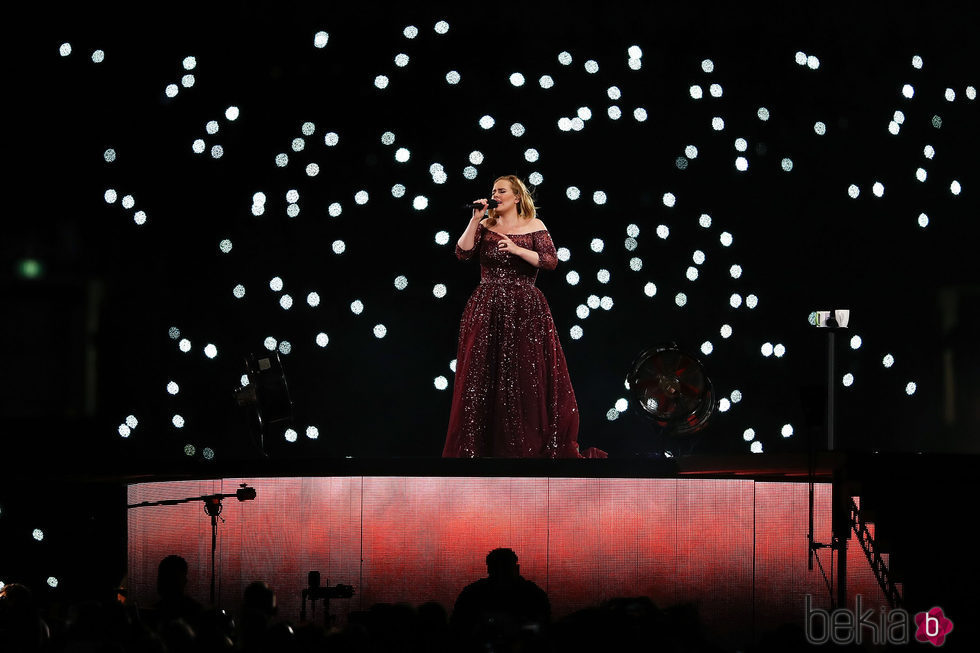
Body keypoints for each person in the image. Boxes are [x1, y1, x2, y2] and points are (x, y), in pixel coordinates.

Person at [443, 175, 602, 458]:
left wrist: (517, 250)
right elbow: (462, 253)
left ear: (517, 197)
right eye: (493, 190)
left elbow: (550, 261)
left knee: (524, 377)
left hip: (525, 308)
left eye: (502, 190)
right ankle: (477, 451)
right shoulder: (485, 225)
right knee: (481, 378)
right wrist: (475, 219)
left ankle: (524, 448)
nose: (496, 194)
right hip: (487, 305)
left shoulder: (534, 226)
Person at [450, 548, 550, 648]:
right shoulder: (533, 594)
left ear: (488, 569)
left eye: (504, 569)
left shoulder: (472, 594)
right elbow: (543, 629)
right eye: (498, 570)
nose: (501, 575)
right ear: (516, 568)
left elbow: (458, 629)